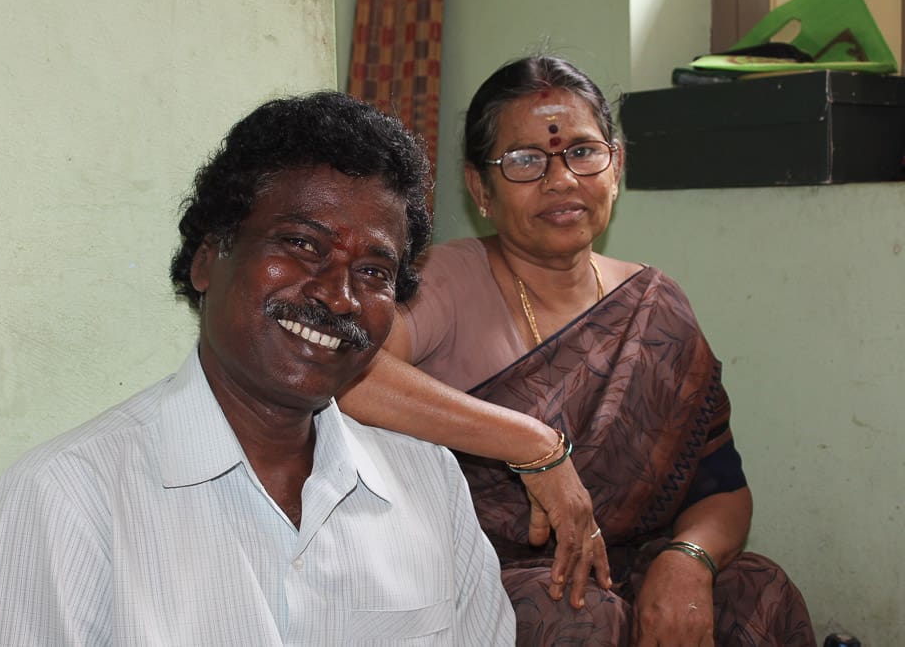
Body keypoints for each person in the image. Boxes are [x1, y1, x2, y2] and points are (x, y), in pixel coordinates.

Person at [0, 91, 516, 646]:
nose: (339, 295)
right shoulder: (67, 499)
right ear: (208, 259)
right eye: (302, 244)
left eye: (375, 272)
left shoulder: (431, 485)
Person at [338, 56, 816, 646]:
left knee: (758, 590)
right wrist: (533, 445)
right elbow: (347, 373)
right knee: (571, 612)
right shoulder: (445, 281)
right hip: (482, 573)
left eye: (583, 152)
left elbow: (721, 491)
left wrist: (688, 559)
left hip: (630, 565)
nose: (561, 180)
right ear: (479, 188)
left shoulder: (655, 306)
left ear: (616, 167)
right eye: (525, 161)